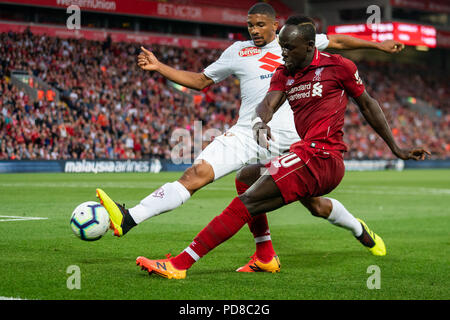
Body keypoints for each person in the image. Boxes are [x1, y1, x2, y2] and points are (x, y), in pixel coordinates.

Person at [96, 3, 406, 273]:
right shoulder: (237, 51)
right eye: (250, 25)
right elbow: (200, 81)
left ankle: (358, 229)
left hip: (292, 142)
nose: (255, 30)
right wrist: (159, 66)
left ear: (276, 25)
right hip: (248, 132)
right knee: (197, 174)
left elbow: (337, 39)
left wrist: (378, 45)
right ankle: (129, 218)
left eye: (260, 24)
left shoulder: (295, 44)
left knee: (316, 206)